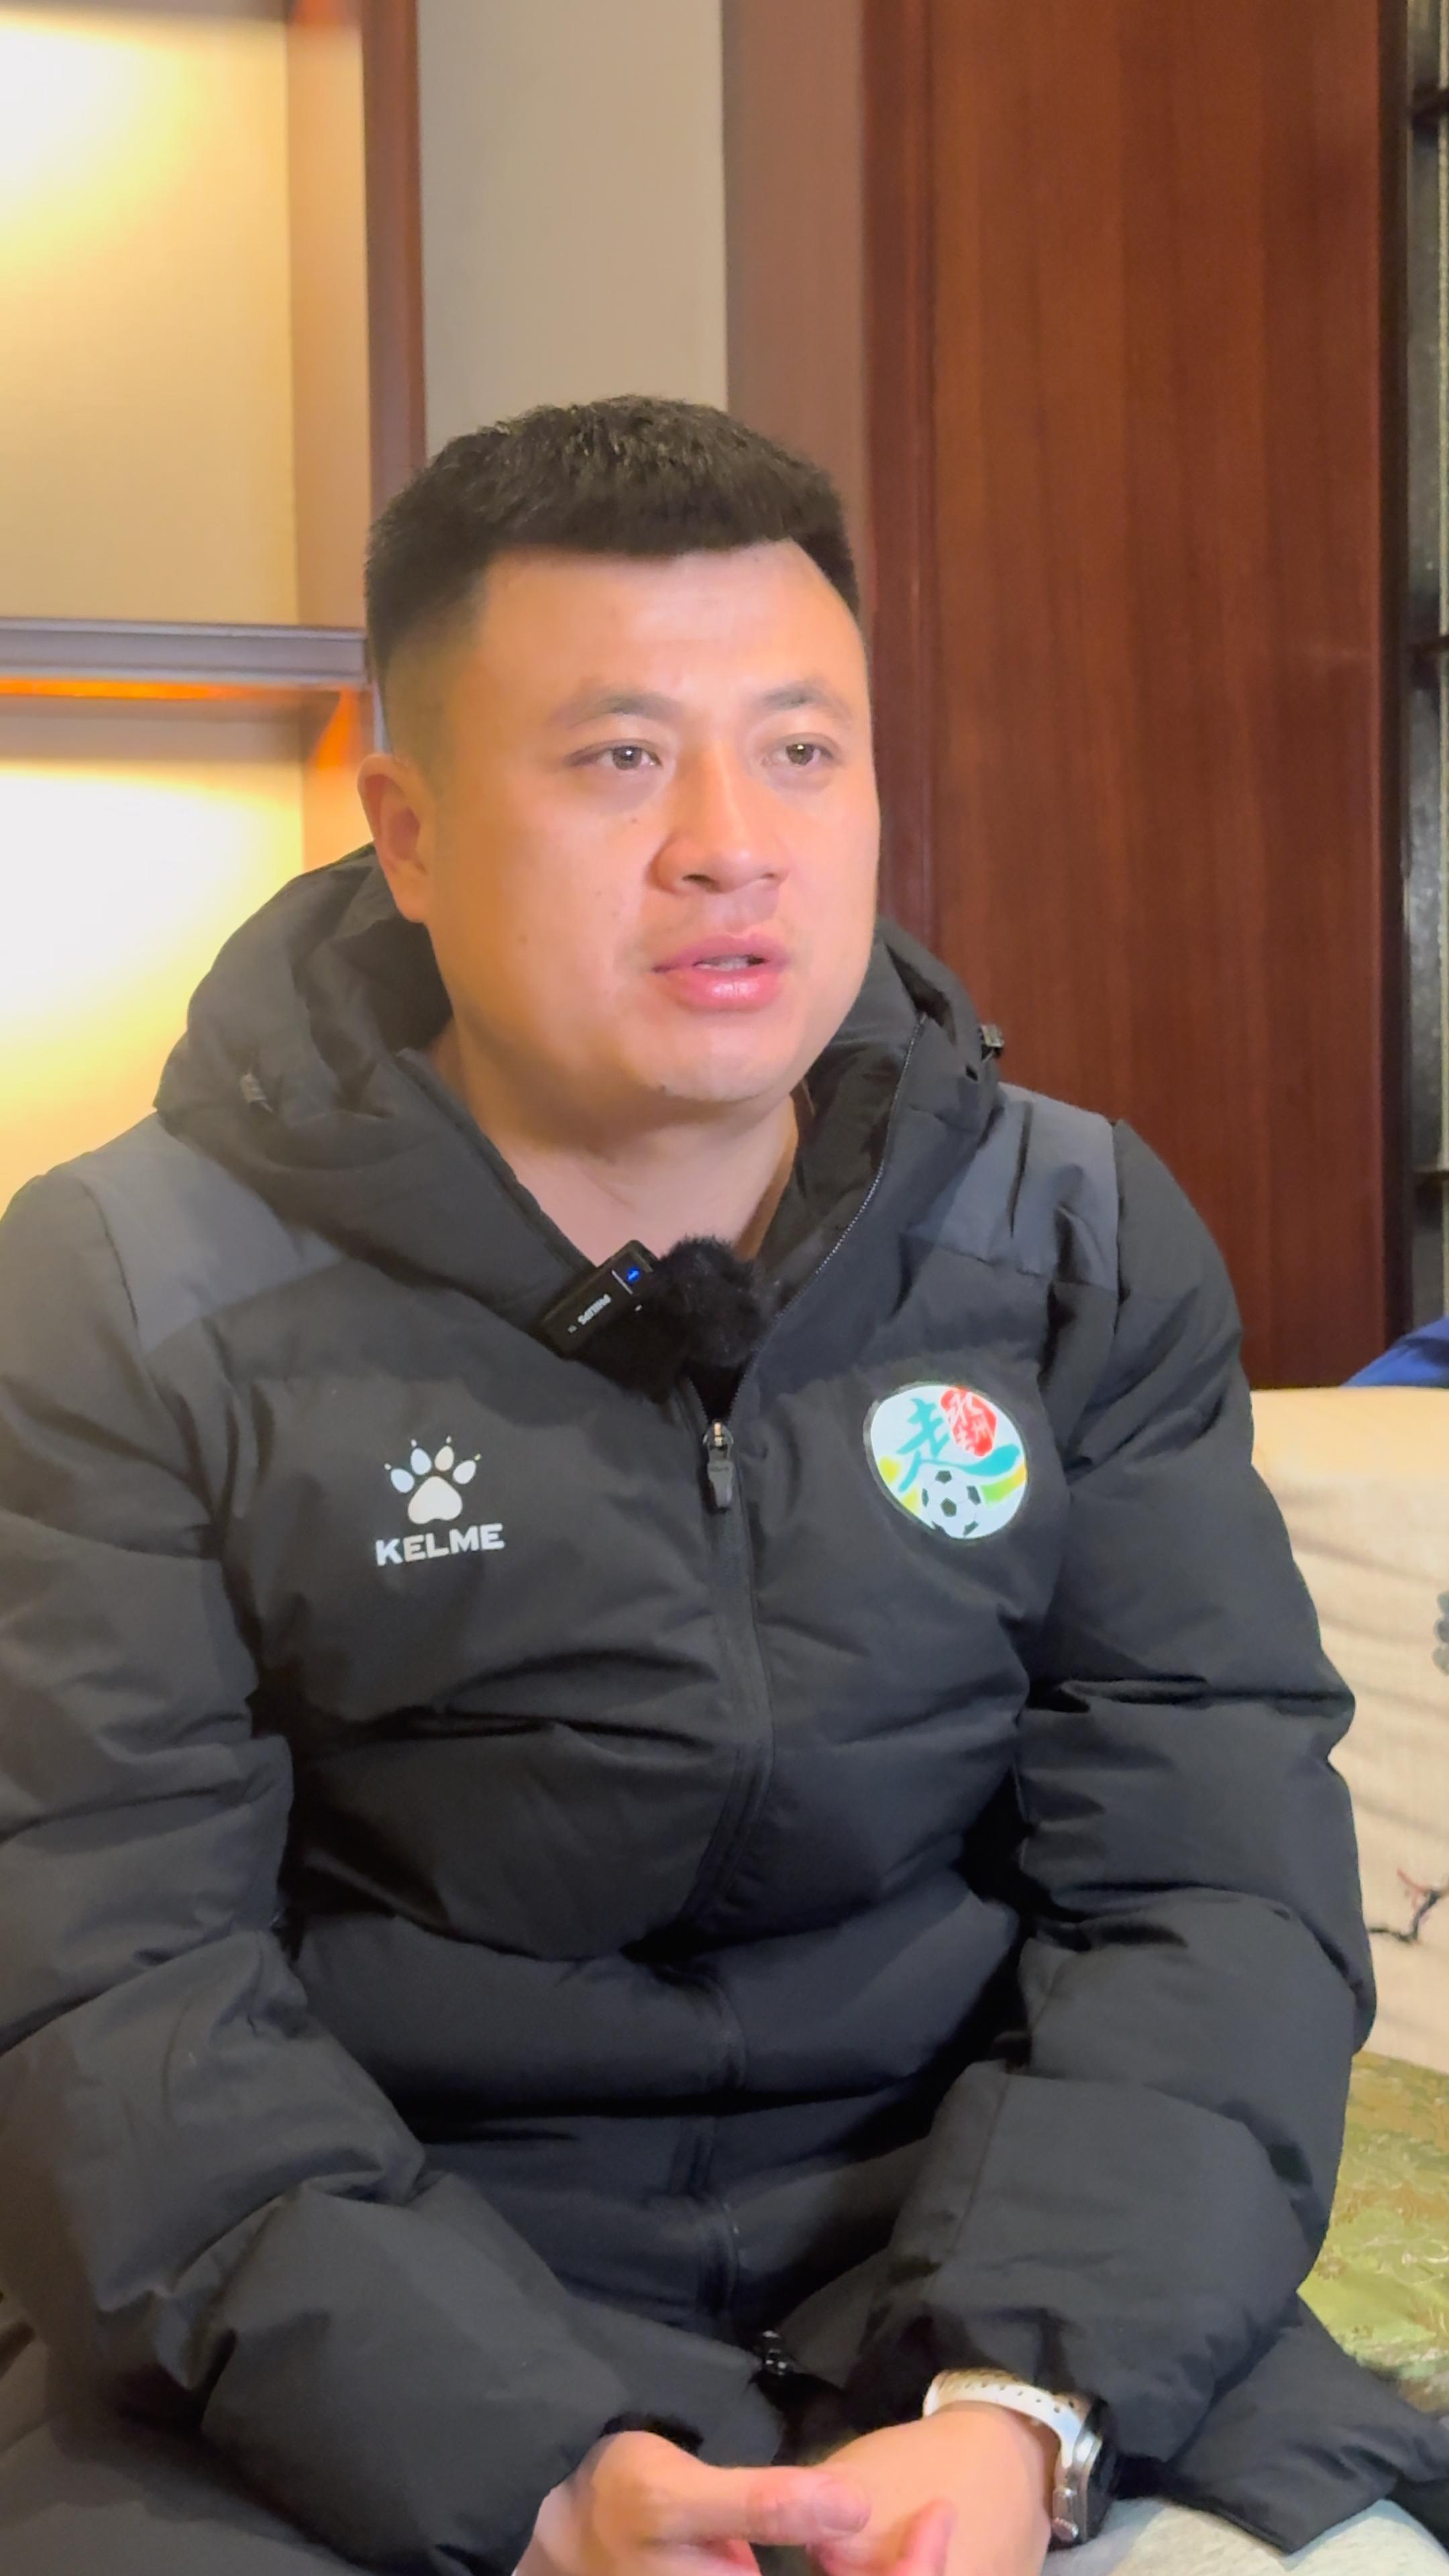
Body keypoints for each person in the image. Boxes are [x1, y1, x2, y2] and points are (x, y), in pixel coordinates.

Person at [0, 399, 1445, 2576]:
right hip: (376, 2344)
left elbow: (1212, 1885)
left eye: (802, 751)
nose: (730, 845)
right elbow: (106, 1989)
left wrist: (1023, 2407)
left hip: (984, 2286)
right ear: (408, 830)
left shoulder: (1066, 1233)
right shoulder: (128, 1288)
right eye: (617, 758)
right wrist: (534, 2471)